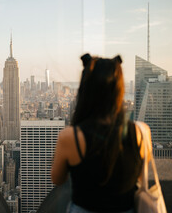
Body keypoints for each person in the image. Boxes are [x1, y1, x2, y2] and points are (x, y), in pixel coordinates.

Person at [51, 54, 152, 213]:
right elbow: (139, 176)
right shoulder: (141, 132)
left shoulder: (70, 137)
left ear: (85, 89)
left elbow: (57, 178)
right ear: (119, 90)